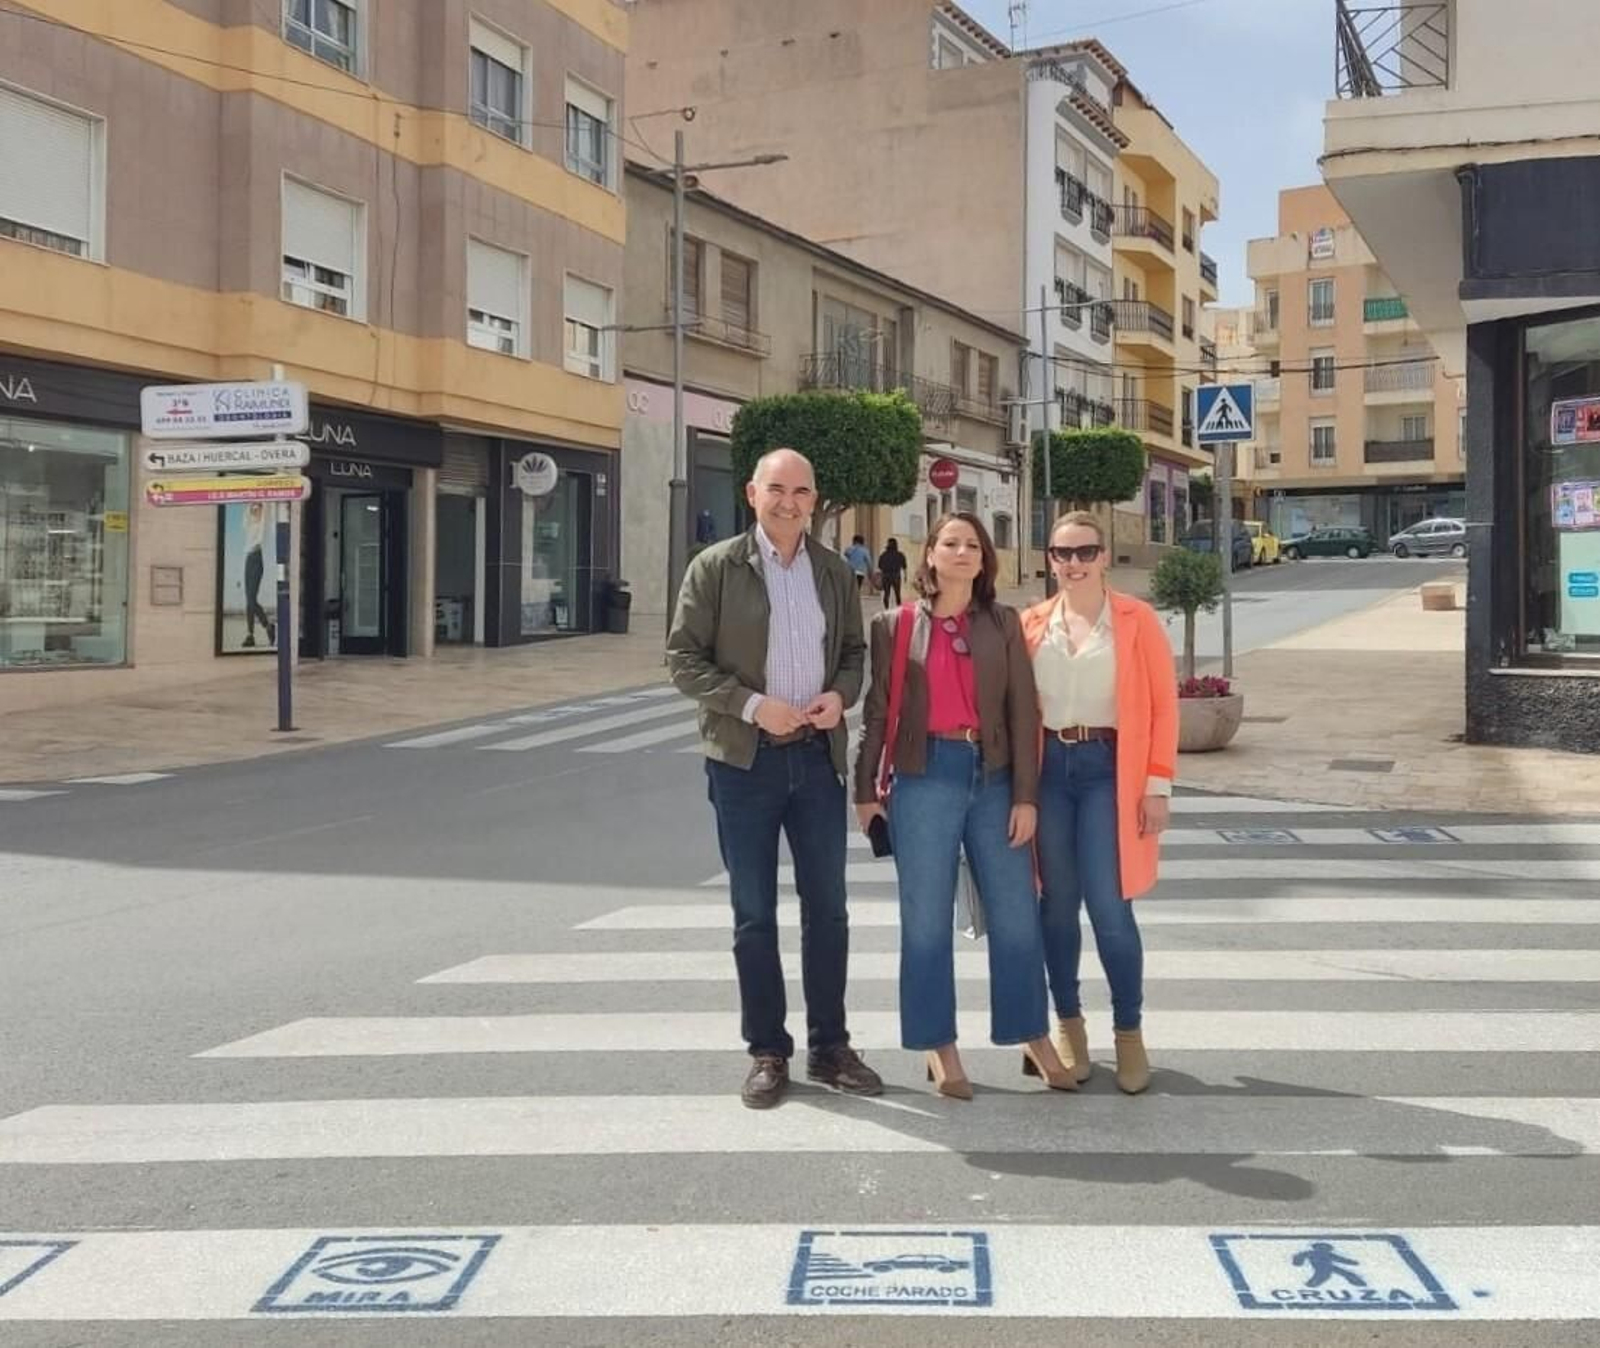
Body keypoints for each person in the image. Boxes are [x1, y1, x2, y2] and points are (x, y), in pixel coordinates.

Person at [667, 448, 882, 1109]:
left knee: (830, 912)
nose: (789, 501)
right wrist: (755, 705)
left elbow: (852, 654)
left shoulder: (832, 571)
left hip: (816, 761)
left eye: (801, 491)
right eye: (777, 489)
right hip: (745, 762)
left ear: (815, 500)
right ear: (753, 494)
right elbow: (682, 659)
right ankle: (767, 1050)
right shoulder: (716, 568)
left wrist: (837, 698)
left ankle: (830, 1046)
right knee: (754, 915)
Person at [854, 512, 1073, 1099]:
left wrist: (1026, 794)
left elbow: (1024, 712)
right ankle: (938, 1045)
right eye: (950, 542)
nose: (962, 552)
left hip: (994, 776)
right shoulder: (894, 626)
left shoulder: (1002, 623)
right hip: (924, 777)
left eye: (973, 545)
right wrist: (864, 791)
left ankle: (1032, 1033)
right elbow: (878, 712)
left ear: (984, 559)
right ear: (928, 555)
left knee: (1015, 911)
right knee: (924, 921)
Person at [1021, 511, 1179, 1095]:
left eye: (1085, 552)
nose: (1074, 563)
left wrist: (1157, 786)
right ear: (1050, 559)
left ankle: (1129, 1032)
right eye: (1062, 553)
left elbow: (1164, 706)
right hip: (1050, 771)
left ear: (1104, 556)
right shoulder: (1031, 624)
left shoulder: (1137, 621)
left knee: (1111, 907)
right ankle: (1070, 1027)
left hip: (1110, 770)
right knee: (1056, 906)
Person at [241, 502, 275, 649]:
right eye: (253, 509)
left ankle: (268, 626)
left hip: (257, 559)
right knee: (248, 600)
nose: (255, 511)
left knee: (251, 599)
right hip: (248, 559)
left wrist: (263, 503)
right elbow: (246, 516)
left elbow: (266, 511)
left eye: (257, 509)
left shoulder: (263, 526)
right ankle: (250, 635)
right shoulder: (249, 525)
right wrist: (250, 502)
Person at [876, 538, 906, 608]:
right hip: (896, 575)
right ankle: (899, 608)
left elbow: (879, 566)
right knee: (897, 593)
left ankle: (886, 608)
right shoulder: (900, 555)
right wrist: (905, 576)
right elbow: (904, 566)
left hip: (886, 575)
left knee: (886, 594)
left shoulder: (883, 555)